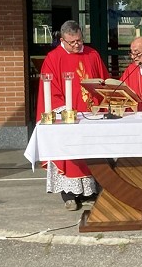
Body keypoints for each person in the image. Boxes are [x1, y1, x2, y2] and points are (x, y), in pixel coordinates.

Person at [35, 20, 110, 211]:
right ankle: (69, 195)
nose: (77, 45)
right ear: (62, 40)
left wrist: (103, 102)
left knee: (92, 153)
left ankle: (91, 192)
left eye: (79, 40)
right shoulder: (53, 58)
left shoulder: (92, 54)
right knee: (69, 154)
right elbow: (50, 90)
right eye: (72, 42)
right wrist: (64, 110)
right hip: (68, 117)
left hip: (91, 115)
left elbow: (104, 82)